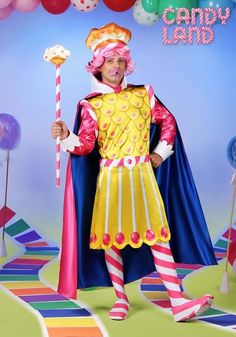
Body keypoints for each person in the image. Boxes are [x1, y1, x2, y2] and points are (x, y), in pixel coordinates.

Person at [51, 23, 216, 322]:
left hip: (142, 178)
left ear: (127, 64)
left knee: (158, 236)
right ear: (98, 65)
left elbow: (169, 122)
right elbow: (86, 146)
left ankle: (178, 301)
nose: (115, 66)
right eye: (109, 60)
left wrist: (158, 154)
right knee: (113, 241)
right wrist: (66, 135)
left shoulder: (144, 95)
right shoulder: (91, 106)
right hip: (111, 181)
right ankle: (121, 298)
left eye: (120, 60)